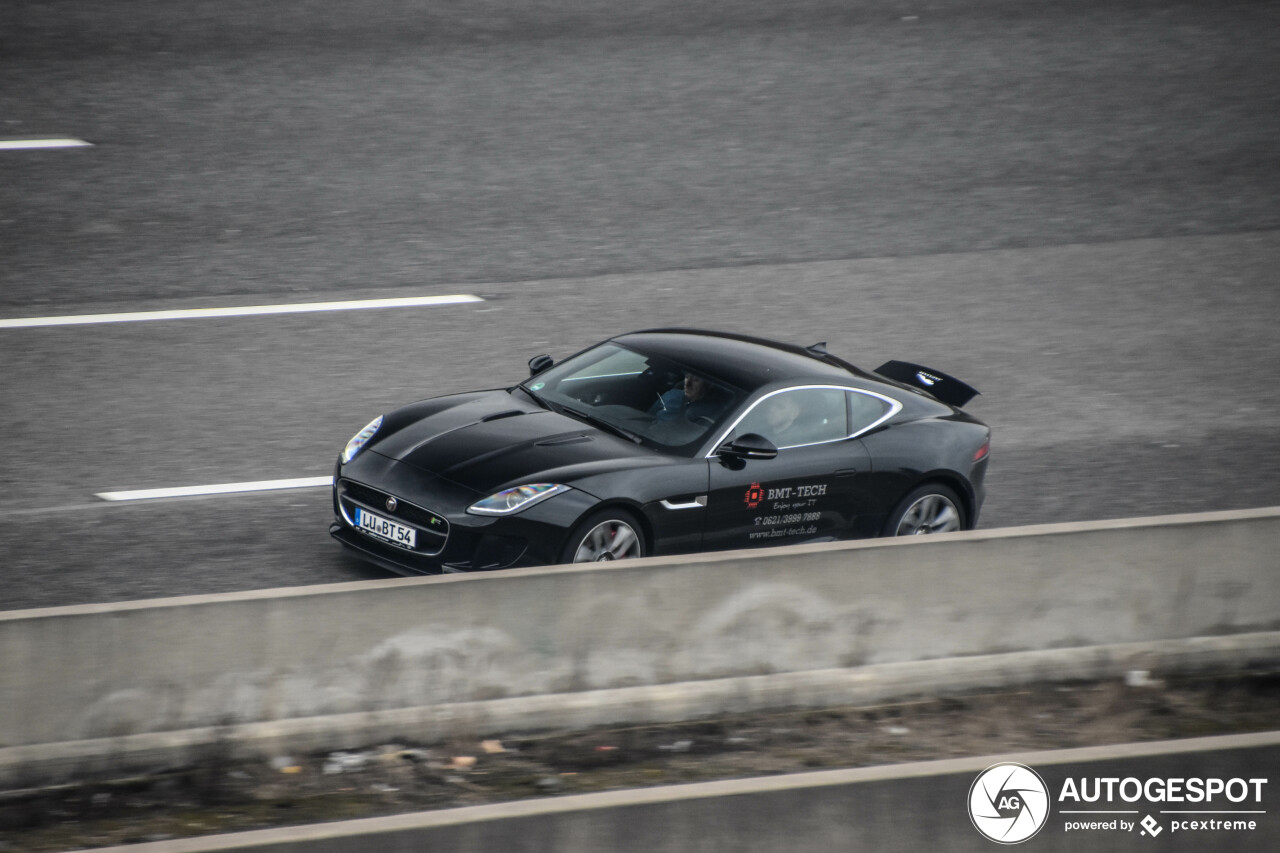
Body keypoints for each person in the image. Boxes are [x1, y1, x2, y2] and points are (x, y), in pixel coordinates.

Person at [652, 372, 723, 423]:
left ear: (709, 385)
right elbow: (649, 415)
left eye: (696, 380)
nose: (688, 384)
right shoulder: (672, 394)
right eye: (687, 377)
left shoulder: (712, 411)